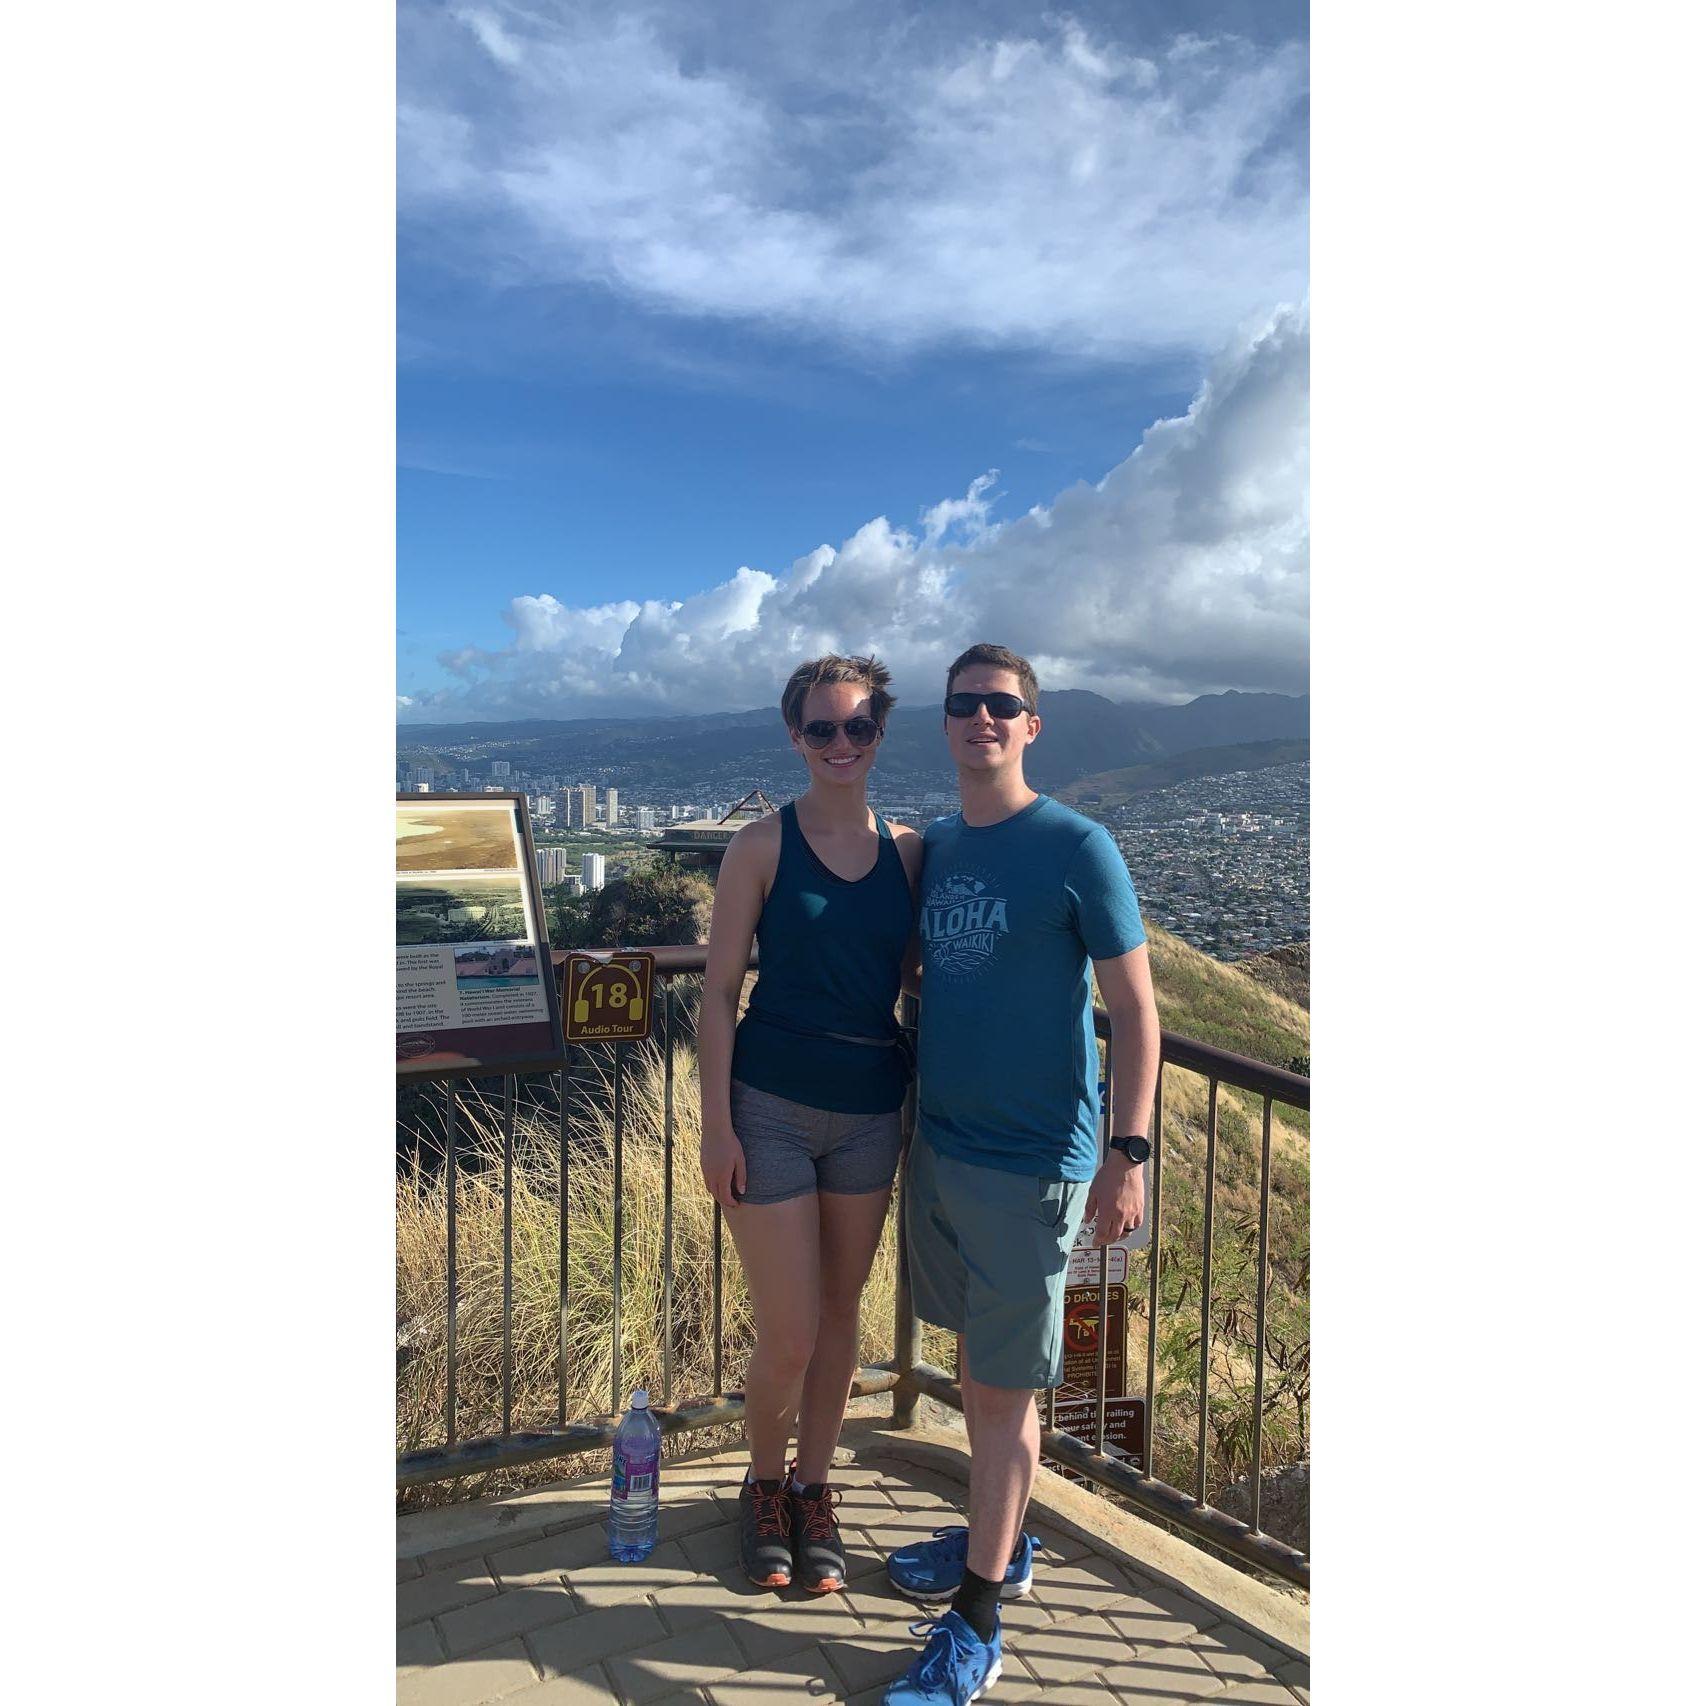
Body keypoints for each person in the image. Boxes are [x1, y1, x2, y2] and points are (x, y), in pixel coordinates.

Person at [882, 642, 1161, 1706]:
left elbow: (1135, 1012)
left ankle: (978, 1617)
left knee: (1000, 1392)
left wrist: (1127, 1154)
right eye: (965, 703)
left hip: (1034, 1162)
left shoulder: (1077, 845)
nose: (982, 718)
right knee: (980, 1372)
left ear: (1030, 725)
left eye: (1002, 704)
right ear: (946, 722)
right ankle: (999, 1538)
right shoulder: (942, 845)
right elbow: (920, 967)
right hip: (943, 1148)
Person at [699, 653, 923, 1594]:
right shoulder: (760, 846)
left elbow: (917, 976)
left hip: (870, 1111)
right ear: (795, 736)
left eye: (858, 726)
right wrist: (716, 1126)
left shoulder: (909, 852)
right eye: (822, 728)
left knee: (840, 1322)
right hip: (770, 1106)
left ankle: (814, 1488)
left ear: (880, 733)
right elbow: (717, 994)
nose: (841, 743)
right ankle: (763, 1482)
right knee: (789, 1332)